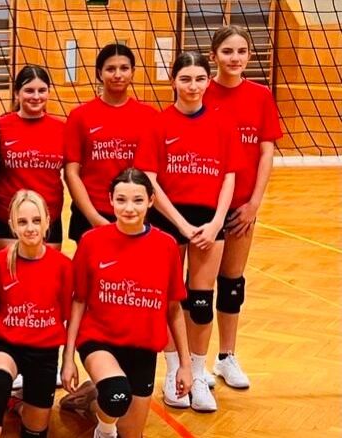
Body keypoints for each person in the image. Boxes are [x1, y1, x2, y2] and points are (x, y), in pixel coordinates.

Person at [137, 52, 241, 413]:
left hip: (210, 220)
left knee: (199, 302)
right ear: (173, 81)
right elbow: (149, 180)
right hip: (169, 219)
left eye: (199, 79)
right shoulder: (158, 123)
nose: (193, 86)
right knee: (168, 298)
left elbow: (229, 176)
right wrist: (180, 225)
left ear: (208, 81)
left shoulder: (222, 123)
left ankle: (197, 374)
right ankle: (172, 371)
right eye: (186, 79)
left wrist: (215, 224)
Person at [61, 168, 191, 438]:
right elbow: (79, 301)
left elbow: (174, 309)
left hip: (142, 347)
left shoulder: (166, 246)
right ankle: (104, 429)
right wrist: (68, 358)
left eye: (137, 200)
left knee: (132, 433)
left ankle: (91, 398)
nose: (129, 208)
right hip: (99, 340)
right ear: (110, 199)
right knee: (117, 396)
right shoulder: (91, 241)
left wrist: (185, 365)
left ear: (151, 201)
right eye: (121, 200)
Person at [203, 24, 282, 390]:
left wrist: (253, 203)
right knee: (197, 289)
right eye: (228, 52)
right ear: (214, 56)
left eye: (241, 52)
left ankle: (227, 358)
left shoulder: (260, 96)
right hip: (202, 204)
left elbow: (266, 151)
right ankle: (194, 363)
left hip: (242, 207)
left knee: (231, 283)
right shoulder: (201, 89)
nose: (235, 59)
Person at [0, 190, 72, 438]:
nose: (30, 228)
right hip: (7, 345)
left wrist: (68, 360)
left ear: (46, 222)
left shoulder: (63, 266)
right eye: (22, 221)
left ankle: (20, 406)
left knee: (34, 431)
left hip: (45, 352)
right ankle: (8, 402)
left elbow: (66, 314)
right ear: (12, 225)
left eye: (36, 220)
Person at [64, 44, 159, 242]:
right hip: (91, 212)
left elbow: (152, 173)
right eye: (110, 69)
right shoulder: (80, 116)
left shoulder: (149, 116)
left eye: (124, 68)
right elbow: (71, 173)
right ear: (100, 73)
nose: (118, 74)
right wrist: (94, 218)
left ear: (133, 72)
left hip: (134, 212)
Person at [0, 66, 65, 251]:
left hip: (49, 218)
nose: (36, 96)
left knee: (45, 278)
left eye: (42, 90)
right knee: (10, 277)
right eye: (29, 90)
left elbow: (74, 173)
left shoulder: (62, 129)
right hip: (6, 218)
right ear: (17, 93)